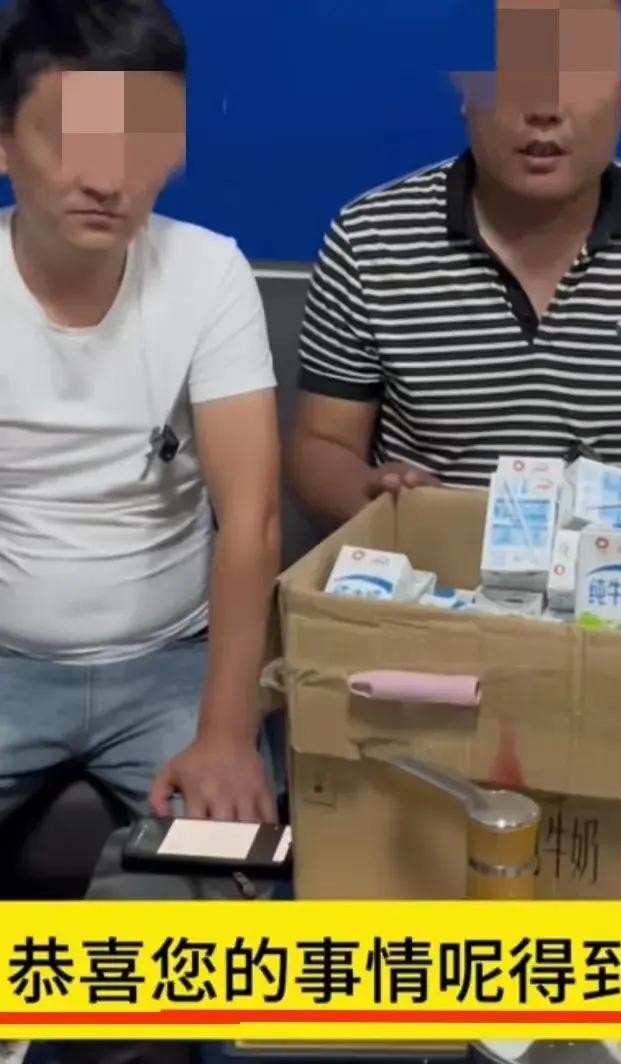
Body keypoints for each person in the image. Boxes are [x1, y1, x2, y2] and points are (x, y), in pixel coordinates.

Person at [288, 0, 621, 527]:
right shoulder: (370, 238)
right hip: (429, 569)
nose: (545, 109)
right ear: (467, 90)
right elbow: (322, 444)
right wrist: (373, 500)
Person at [0, 0, 281, 851]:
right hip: (7, 662)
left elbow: (252, 520)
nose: (107, 180)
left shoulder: (209, 274)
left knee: (234, 871)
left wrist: (226, 733)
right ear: (5, 143)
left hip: (173, 664)